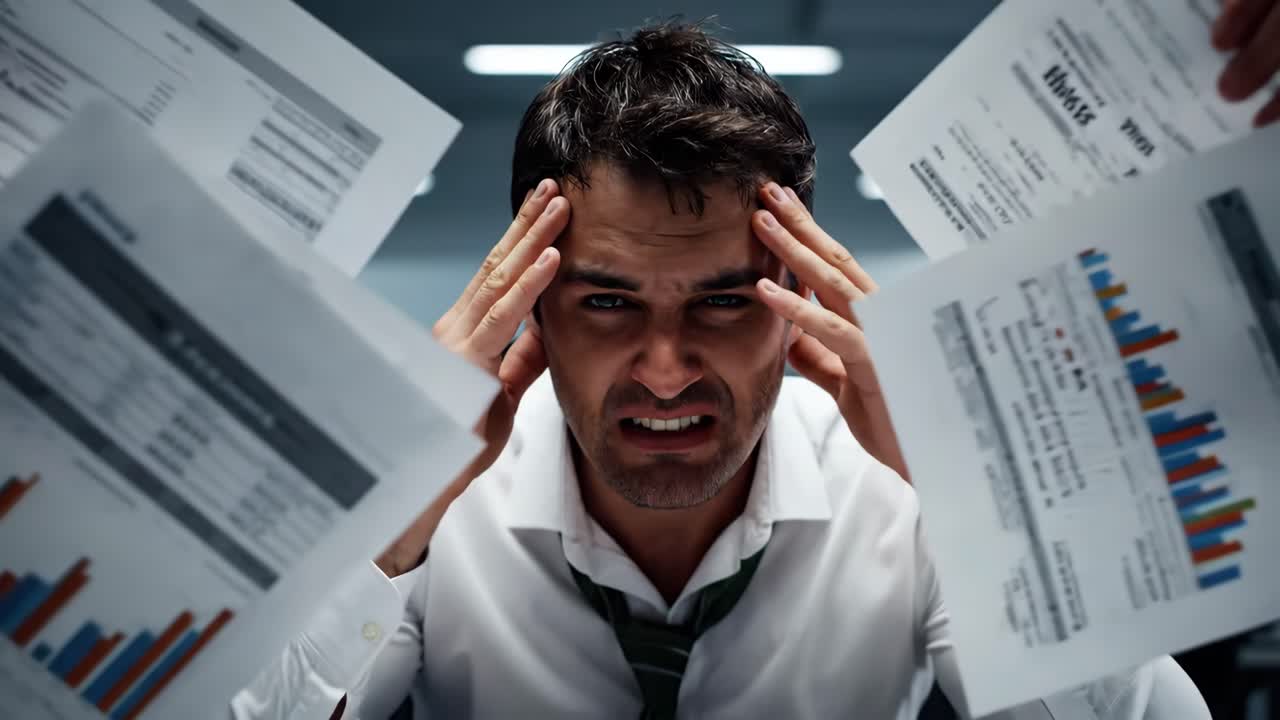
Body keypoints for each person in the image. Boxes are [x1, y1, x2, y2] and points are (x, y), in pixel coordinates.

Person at [234, 3, 1280, 718]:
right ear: (530, 306)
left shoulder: (899, 494)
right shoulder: (442, 502)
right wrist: (385, 519)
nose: (662, 368)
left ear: (800, 302)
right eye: (604, 302)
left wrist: (975, 493)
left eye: (724, 302)